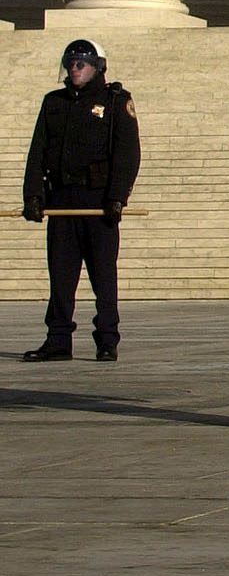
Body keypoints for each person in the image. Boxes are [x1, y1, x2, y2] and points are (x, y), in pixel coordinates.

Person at [18, 40, 140, 363]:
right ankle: (58, 338)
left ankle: (107, 338)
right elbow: (37, 152)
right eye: (70, 63)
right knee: (60, 275)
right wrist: (33, 195)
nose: (74, 68)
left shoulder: (115, 102)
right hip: (62, 201)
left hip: (97, 202)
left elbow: (128, 154)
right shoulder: (53, 103)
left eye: (81, 63)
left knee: (103, 275)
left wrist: (117, 197)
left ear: (97, 67)